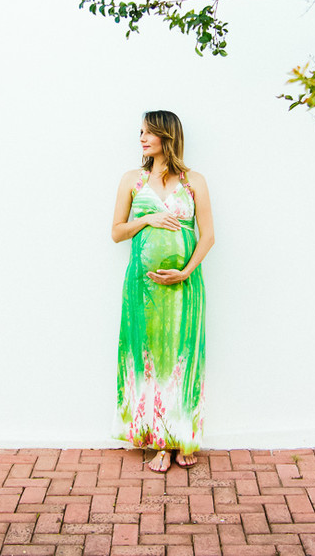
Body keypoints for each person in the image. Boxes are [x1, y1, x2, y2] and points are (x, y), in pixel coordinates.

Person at [111, 110, 214, 472]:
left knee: (181, 360)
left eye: (148, 132)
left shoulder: (194, 181)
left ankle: (181, 436)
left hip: (184, 287)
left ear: (166, 136)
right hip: (143, 287)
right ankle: (159, 442)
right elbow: (117, 232)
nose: (141, 138)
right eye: (140, 132)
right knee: (152, 359)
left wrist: (185, 271)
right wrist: (147, 219)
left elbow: (209, 237)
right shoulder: (132, 180)